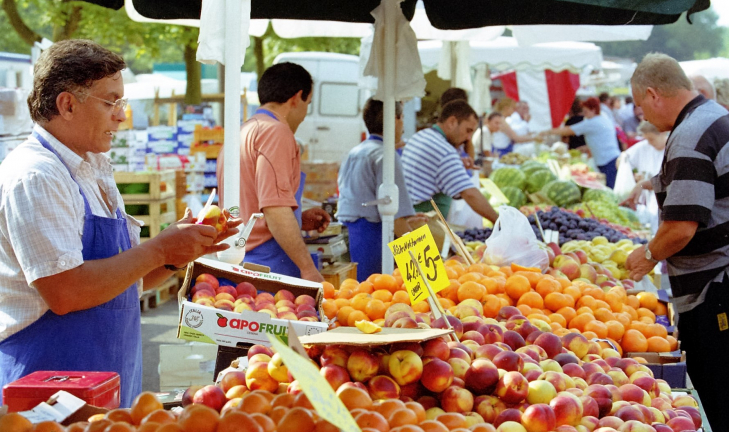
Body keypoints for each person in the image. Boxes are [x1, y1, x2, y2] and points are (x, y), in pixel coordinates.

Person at [0, 40, 241, 407]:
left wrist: (179, 255)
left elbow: (125, 283)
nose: (121, 115)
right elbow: (66, 292)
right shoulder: (37, 176)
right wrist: (159, 247)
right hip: (47, 385)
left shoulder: (93, 169)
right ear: (67, 104)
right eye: (111, 101)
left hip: (105, 382)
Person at [625, 53, 729, 432]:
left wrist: (647, 255)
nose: (642, 116)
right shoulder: (715, 117)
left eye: (640, 105)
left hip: (722, 286)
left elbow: (683, 225)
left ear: (654, 94)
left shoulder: (691, 134)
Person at [216, 62, 330, 282]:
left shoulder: (243, 131)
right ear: (296, 98)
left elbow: (251, 205)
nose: (306, 113)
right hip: (268, 266)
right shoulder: (276, 132)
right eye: (308, 103)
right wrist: (307, 268)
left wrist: (297, 218)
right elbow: (275, 209)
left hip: (238, 260)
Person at [336, 99, 427, 281]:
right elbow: (397, 219)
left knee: (358, 295)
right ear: (394, 119)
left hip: (348, 233)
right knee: (375, 293)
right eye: (401, 118)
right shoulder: (386, 156)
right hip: (372, 236)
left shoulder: (355, 152)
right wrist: (425, 261)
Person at [401, 100, 498, 222]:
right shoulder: (445, 151)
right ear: (452, 122)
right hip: (422, 225)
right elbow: (470, 194)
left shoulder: (422, 135)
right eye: (468, 130)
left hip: (406, 218)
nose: (469, 138)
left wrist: (457, 163)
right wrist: (498, 221)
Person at [538, 97, 622, 188]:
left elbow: (569, 130)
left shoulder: (592, 122)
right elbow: (601, 140)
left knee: (611, 188)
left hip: (607, 161)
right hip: (611, 158)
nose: (584, 115)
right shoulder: (603, 119)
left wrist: (547, 132)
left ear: (593, 110)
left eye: (585, 112)